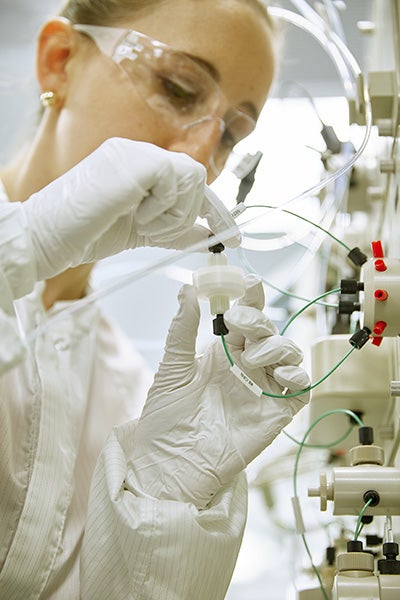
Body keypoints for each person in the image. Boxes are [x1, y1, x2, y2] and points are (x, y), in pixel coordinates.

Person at [0, 1, 311, 598]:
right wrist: (20, 247)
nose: (200, 159)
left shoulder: (128, 395)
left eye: (231, 134)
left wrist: (164, 506)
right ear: (59, 61)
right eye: (179, 87)